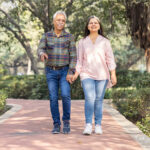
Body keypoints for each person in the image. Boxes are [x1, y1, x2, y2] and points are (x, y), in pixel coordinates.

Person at [72, 16, 117, 135]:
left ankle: (98, 125)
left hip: (102, 75)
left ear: (99, 25)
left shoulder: (105, 42)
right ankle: (88, 124)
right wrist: (76, 74)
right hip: (86, 74)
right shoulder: (82, 42)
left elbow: (110, 59)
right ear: (87, 26)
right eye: (91, 23)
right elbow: (79, 61)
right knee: (90, 98)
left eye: (95, 23)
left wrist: (113, 74)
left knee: (98, 100)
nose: (93, 24)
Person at [37, 10, 76, 134]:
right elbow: (40, 48)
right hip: (51, 71)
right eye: (58, 20)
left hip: (65, 71)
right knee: (53, 98)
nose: (61, 22)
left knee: (65, 95)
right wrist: (42, 54)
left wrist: (71, 71)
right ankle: (56, 124)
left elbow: (74, 56)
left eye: (63, 21)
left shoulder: (69, 37)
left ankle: (66, 122)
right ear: (54, 21)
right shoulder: (46, 36)